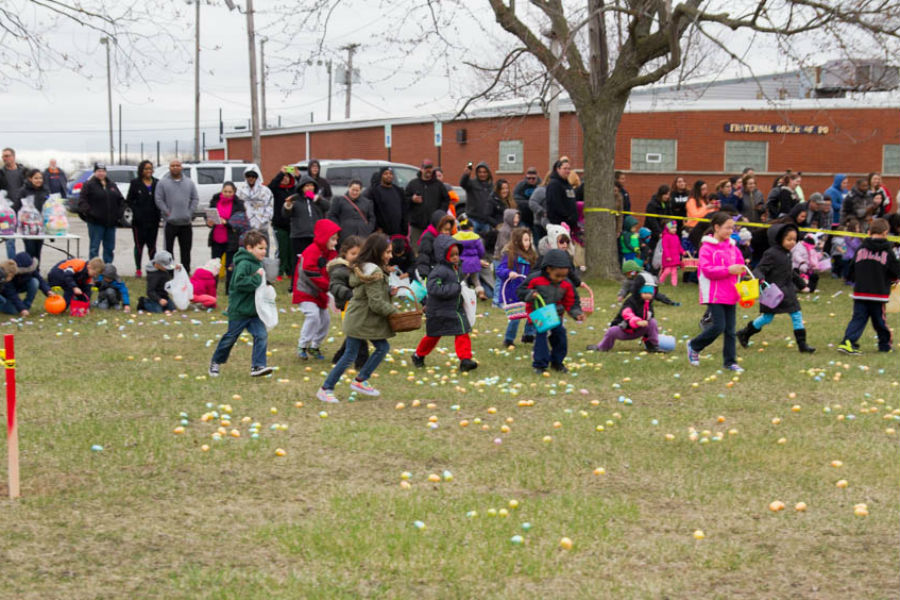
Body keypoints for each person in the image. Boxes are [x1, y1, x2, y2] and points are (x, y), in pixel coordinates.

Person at [317, 233, 399, 403]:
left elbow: (370, 294)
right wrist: (394, 312)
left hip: (361, 319)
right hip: (360, 320)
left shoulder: (368, 268)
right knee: (351, 355)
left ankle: (360, 380)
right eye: (387, 252)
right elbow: (375, 303)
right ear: (377, 252)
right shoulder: (374, 272)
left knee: (381, 347)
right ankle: (326, 388)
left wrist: (388, 292)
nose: (390, 256)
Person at [736, 223, 815, 353]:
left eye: (794, 240)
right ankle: (745, 333)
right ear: (779, 239)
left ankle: (802, 345)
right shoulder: (771, 253)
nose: (792, 243)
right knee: (767, 317)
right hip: (773, 292)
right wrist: (760, 279)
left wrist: (802, 284)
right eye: (789, 239)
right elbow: (760, 269)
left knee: (796, 315)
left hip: (788, 292)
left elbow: (790, 272)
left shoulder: (788, 254)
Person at [208, 230, 275, 378]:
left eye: (265, 248)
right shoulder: (244, 263)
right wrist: (257, 279)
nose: (264, 251)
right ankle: (215, 362)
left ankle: (258, 366)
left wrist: (266, 286)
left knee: (261, 335)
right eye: (260, 248)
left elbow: (257, 284)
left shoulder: (257, 263)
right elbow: (239, 283)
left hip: (254, 312)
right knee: (230, 338)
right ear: (249, 248)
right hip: (239, 311)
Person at [686, 212, 746, 372]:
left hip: (731, 292)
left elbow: (741, 265)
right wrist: (729, 270)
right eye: (727, 228)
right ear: (717, 227)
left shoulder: (733, 247)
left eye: (732, 228)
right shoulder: (706, 248)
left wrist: (743, 270)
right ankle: (694, 345)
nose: (730, 231)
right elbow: (707, 270)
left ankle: (730, 362)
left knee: (730, 330)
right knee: (718, 326)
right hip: (715, 294)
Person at [411, 234, 478, 372]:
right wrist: (455, 288)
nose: (455, 257)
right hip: (438, 311)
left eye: (457, 254)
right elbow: (434, 288)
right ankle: (418, 355)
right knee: (433, 336)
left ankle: (465, 360)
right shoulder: (439, 271)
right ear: (443, 255)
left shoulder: (455, 268)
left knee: (462, 331)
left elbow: (458, 282)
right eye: (452, 255)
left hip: (454, 309)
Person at [836, 219, 900, 353]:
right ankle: (885, 345)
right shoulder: (888, 251)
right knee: (879, 321)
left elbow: (852, 267)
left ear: (869, 232)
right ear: (885, 233)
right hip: (878, 294)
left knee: (858, 319)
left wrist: (852, 279)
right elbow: (894, 270)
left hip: (860, 292)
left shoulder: (861, 248)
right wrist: (894, 280)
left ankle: (848, 342)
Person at [517, 248, 585, 373]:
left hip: (556, 315)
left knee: (560, 336)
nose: (560, 279)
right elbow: (521, 291)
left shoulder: (566, 283)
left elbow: (571, 300)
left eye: (564, 276)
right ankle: (540, 365)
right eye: (557, 275)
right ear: (548, 269)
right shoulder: (535, 279)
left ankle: (557, 362)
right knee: (541, 337)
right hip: (539, 313)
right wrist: (530, 294)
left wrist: (577, 313)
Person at [293, 219, 341, 360]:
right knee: (313, 315)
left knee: (325, 320)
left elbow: (334, 269)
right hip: (306, 291)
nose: (335, 243)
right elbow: (309, 270)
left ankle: (315, 346)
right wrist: (328, 285)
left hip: (320, 293)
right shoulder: (312, 250)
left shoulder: (331, 253)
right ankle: (302, 345)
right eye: (332, 239)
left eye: (336, 240)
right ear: (324, 237)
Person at [328, 236, 368, 370]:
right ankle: (362, 362)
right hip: (348, 305)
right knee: (359, 333)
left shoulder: (361, 269)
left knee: (355, 334)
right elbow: (335, 286)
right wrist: (348, 294)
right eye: (353, 253)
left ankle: (339, 357)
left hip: (360, 305)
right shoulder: (340, 270)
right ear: (345, 253)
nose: (356, 257)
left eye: (359, 254)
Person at [589, 282, 661, 352]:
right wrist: (637, 321)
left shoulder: (648, 304)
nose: (648, 295)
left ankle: (652, 345)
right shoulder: (631, 301)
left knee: (652, 322)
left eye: (650, 294)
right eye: (645, 293)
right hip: (625, 330)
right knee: (612, 331)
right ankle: (602, 347)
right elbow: (627, 313)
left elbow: (649, 318)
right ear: (639, 292)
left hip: (639, 330)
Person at [496, 227, 538, 348]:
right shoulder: (510, 255)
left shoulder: (531, 256)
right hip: (512, 291)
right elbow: (500, 270)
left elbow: (535, 271)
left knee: (531, 312)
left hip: (527, 290)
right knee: (515, 316)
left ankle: (529, 334)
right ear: (517, 241)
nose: (528, 243)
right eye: (525, 240)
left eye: (529, 240)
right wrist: (509, 273)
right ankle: (509, 339)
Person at [155, 160, 199, 273]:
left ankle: (185, 271)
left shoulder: (189, 183)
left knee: (186, 250)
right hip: (170, 223)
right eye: (173, 165)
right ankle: (170, 272)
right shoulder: (163, 183)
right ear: (169, 168)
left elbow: (195, 198)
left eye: (177, 165)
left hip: (186, 223)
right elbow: (158, 199)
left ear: (181, 167)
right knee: (168, 250)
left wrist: (189, 212)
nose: (175, 167)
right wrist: (166, 211)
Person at [78, 163, 124, 265]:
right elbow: (82, 201)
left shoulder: (112, 185)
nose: (101, 173)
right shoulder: (89, 185)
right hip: (95, 223)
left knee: (109, 248)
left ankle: (108, 269)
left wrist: (119, 215)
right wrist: (90, 212)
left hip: (111, 223)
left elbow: (121, 201)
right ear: (94, 172)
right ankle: (94, 270)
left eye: (103, 171)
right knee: (94, 248)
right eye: (98, 171)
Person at [207, 182, 245, 294]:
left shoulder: (238, 204)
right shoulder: (215, 201)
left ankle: (229, 290)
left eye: (230, 192)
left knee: (230, 266)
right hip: (216, 238)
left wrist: (227, 222)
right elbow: (209, 217)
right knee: (214, 266)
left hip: (231, 240)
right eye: (225, 191)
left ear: (234, 192)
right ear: (222, 191)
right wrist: (209, 222)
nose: (227, 194)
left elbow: (240, 222)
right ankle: (212, 289)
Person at [284, 174, 331, 263]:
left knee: (315, 260)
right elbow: (285, 214)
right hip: (299, 236)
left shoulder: (317, 200)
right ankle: (296, 277)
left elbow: (327, 206)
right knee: (299, 261)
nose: (310, 188)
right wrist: (288, 205)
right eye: (307, 186)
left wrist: (316, 199)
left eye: (311, 185)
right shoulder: (296, 199)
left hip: (315, 236)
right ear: (302, 187)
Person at [127, 160, 160, 278]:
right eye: (146, 168)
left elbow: (160, 199)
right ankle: (138, 269)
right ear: (141, 170)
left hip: (153, 221)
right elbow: (129, 200)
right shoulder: (135, 183)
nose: (148, 171)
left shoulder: (157, 183)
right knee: (139, 246)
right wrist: (137, 211)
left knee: (152, 246)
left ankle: (151, 268)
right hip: (139, 222)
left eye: (150, 168)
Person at [405, 159, 450, 242]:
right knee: (417, 251)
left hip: (434, 226)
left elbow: (446, 200)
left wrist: (440, 214)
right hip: (417, 226)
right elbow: (404, 200)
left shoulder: (438, 185)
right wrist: (412, 199)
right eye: (426, 168)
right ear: (421, 169)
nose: (428, 170)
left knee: (434, 249)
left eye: (430, 168)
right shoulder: (413, 184)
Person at [268, 166, 298, 279]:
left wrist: (298, 175)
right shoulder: (276, 190)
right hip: (279, 224)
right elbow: (270, 187)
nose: (285, 179)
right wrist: (281, 173)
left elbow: (304, 189)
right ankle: (279, 272)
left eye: (287, 177)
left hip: (292, 224)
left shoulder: (294, 189)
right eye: (283, 178)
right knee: (282, 249)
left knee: (291, 249)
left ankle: (290, 271)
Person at [14, 169, 50, 261]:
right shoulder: (23, 191)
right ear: (30, 179)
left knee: (38, 251)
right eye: (36, 178)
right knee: (30, 250)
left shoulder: (45, 190)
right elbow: (17, 207)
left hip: (40, 226)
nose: (39, 180)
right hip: (27, 227)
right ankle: (29, 272)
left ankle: (36, 271)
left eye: (40, 178)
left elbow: (49, 205)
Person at [453, 216, 489, 300]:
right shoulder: (475, 236)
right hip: (474, 262)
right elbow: (481, 250)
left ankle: (465, 296)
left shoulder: (455, 237)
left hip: (462, 263)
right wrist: (479, 258)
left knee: (463, 280)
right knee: (476, 280)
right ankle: (480, 293)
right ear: (471, 227)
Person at [1, 148, 27, 258]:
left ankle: (28, 264)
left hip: (23, 210)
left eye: (7, 156)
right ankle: (12, 265)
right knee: (10, 240)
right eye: (3, 157)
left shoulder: (24, 172)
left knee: (28, 239)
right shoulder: (1, 173)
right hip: (8, 213)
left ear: (13, 157)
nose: (4, 158)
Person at [236, 167, 274, 241]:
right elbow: (237, 206)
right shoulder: (240, 190)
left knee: (262, 248)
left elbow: (269, 206)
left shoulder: (265, 190)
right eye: (248, 176)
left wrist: (264, 220)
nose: (251, 178)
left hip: (261, 226)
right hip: (246, 225)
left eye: (253, 176)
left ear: (257, 177)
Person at [414, 210, 454, 280]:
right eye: (445, 229)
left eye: (449, 230)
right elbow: (423, 256)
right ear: (438, 227)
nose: (448, 232)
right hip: (431, 272)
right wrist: (424, 274)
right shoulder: (428, 237)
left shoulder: (447, 239)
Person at [369, 167, 408, 237]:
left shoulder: (398, 191)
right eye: (385, 174)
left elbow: (404, 209)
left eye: (390, 173)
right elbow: (373, 211)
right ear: (381, 176)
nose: (389, 175)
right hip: (383, 232)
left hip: (398, 231)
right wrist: (377, 227)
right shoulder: (375, 192)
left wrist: (404, 227)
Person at [459, 161, 495, 235]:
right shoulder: (471, 183)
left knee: (486, 243)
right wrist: (466, 174)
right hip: (473, 219)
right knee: (471, 240)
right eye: (480, 172)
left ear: (488, 173)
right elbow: (463, 183)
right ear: (477, 173)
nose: (482, 174)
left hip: (486, 221)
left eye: (485, 172)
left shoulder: (491, 186)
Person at [546, 158, 578, 233]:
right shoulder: (554, 184)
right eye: (565, 168)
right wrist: (568, 217)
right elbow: (555, 204)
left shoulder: (567, 184)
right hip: (559, 224)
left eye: (569, 169)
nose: (567, 171)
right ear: (558, 169)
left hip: (570, 224)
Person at [644, 184, 671, 250]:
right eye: (665, 194)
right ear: (661, 194)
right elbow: (652, 220)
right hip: (652, 233)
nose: (667, 196)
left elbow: (669, 217)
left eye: (668, 194)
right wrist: (658, 232)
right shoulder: (652, 204)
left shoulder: (667, 203)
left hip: (662, 231)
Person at [659, 221, 687, 286]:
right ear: (668, 229)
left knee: (674, 271)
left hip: (675, 257)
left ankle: (674, 284)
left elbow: (679, 246)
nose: (674, 229)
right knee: (667, 270)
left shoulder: (676, 237)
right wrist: (667, 256)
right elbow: (665, 247)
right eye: (672, 228)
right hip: (668, 257)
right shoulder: (666, 237)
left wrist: (682, 251)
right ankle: (661, 280)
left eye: (675, 228)